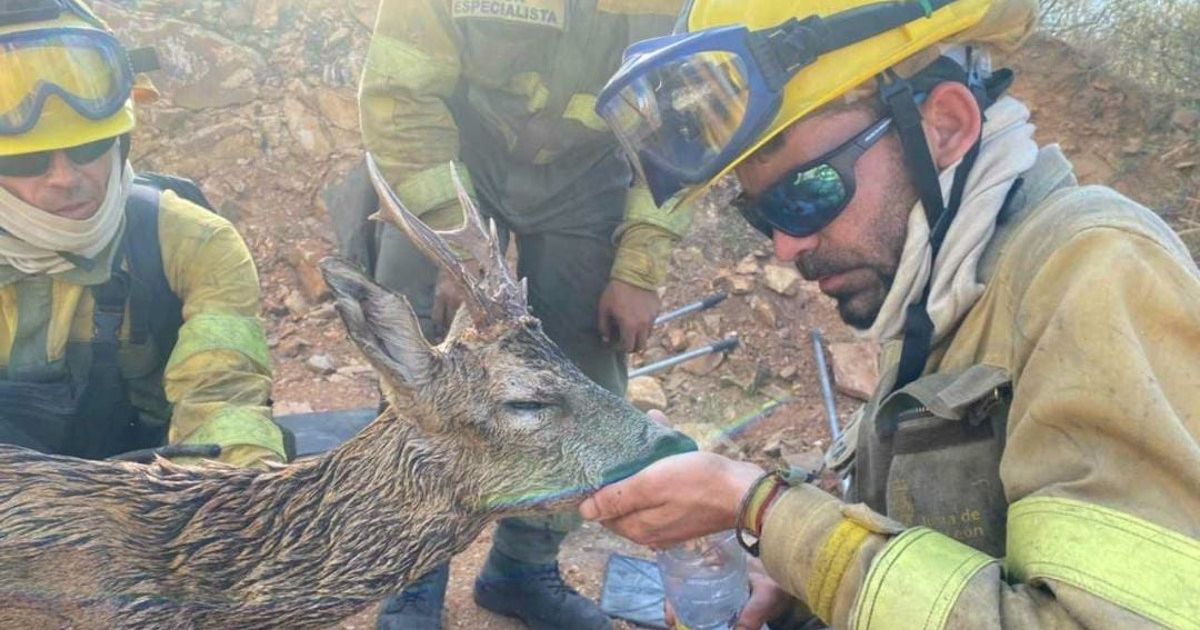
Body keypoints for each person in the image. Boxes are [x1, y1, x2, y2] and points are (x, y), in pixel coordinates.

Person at [582, 0, 1200, 629]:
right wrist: (795, 582)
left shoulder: (1098, 271)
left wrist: (763, 509)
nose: (784, 247)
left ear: (946, 126)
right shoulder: (940, 291)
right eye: (762, 215)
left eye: (808, 193)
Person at [356, 1, 695, 629]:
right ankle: (411, 569)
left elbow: (682, 121)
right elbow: (399, 99)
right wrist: (453, 246)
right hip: (452, 153)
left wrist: (638, 266)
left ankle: (521, 569)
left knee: (582, 369)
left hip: (590, 168)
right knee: (423, 369)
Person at [0, 0, 285, 468]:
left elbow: (222, 396)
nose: (65, 178)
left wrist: (242, 497)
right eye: (28, 162)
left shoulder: (196, 244)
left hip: (150, 504)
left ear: (121, 140)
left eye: (89, 148)